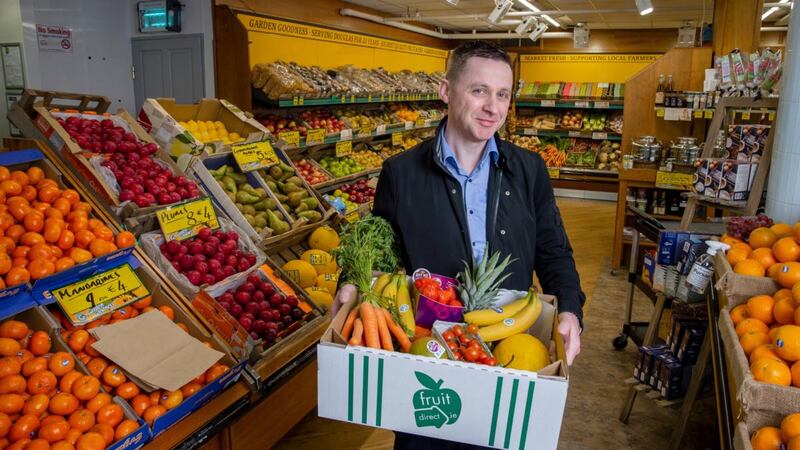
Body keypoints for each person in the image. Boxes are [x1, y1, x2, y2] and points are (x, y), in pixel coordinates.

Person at [332, 41, 584, 450]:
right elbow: (381, 246)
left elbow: (553, 249)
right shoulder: (401, 172)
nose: (493, 107)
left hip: (506, 348)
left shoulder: (528, 170)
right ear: (446, 90)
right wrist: (350, 282)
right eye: (479, 90)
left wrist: (571, 309)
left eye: (503, 94)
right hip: (426, 355)